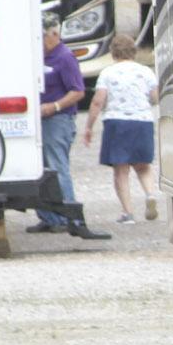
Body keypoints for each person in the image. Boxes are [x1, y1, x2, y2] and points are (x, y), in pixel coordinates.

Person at [31, 13, 112, 240]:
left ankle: (72, 217)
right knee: (42, 168)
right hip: (40, 119)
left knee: (58, 167)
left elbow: (78, 91)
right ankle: (49, 217)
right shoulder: (39, 56)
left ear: (54, 34)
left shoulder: (65, 57)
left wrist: (54, 106)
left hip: (58, 120)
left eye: (42, 37)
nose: (39, 42)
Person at [82, 34, 160, 224]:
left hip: (117, 122)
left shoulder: (108, 73)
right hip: (142, 121)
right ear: (134, 51)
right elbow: (155, 97)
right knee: (143, 166)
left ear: (113, 52)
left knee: (121, 170)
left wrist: (89, 126)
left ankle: (128, 213)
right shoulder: (146, 72)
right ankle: (150, 194)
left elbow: (98, 101)